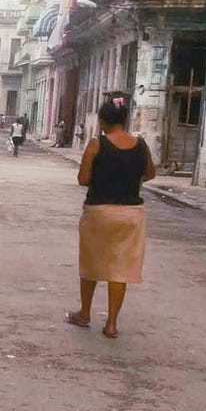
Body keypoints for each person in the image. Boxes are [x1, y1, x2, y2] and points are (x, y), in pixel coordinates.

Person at [65, 93, 155, 339]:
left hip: (99, 211)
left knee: (92, 263)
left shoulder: (97, 144)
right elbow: (150, 174)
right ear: (124, 121)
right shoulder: (141, 145)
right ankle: (112, 324)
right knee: (121, 268)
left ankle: (85, 313)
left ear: (103, 122)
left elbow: (83, 179)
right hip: (131, 214)